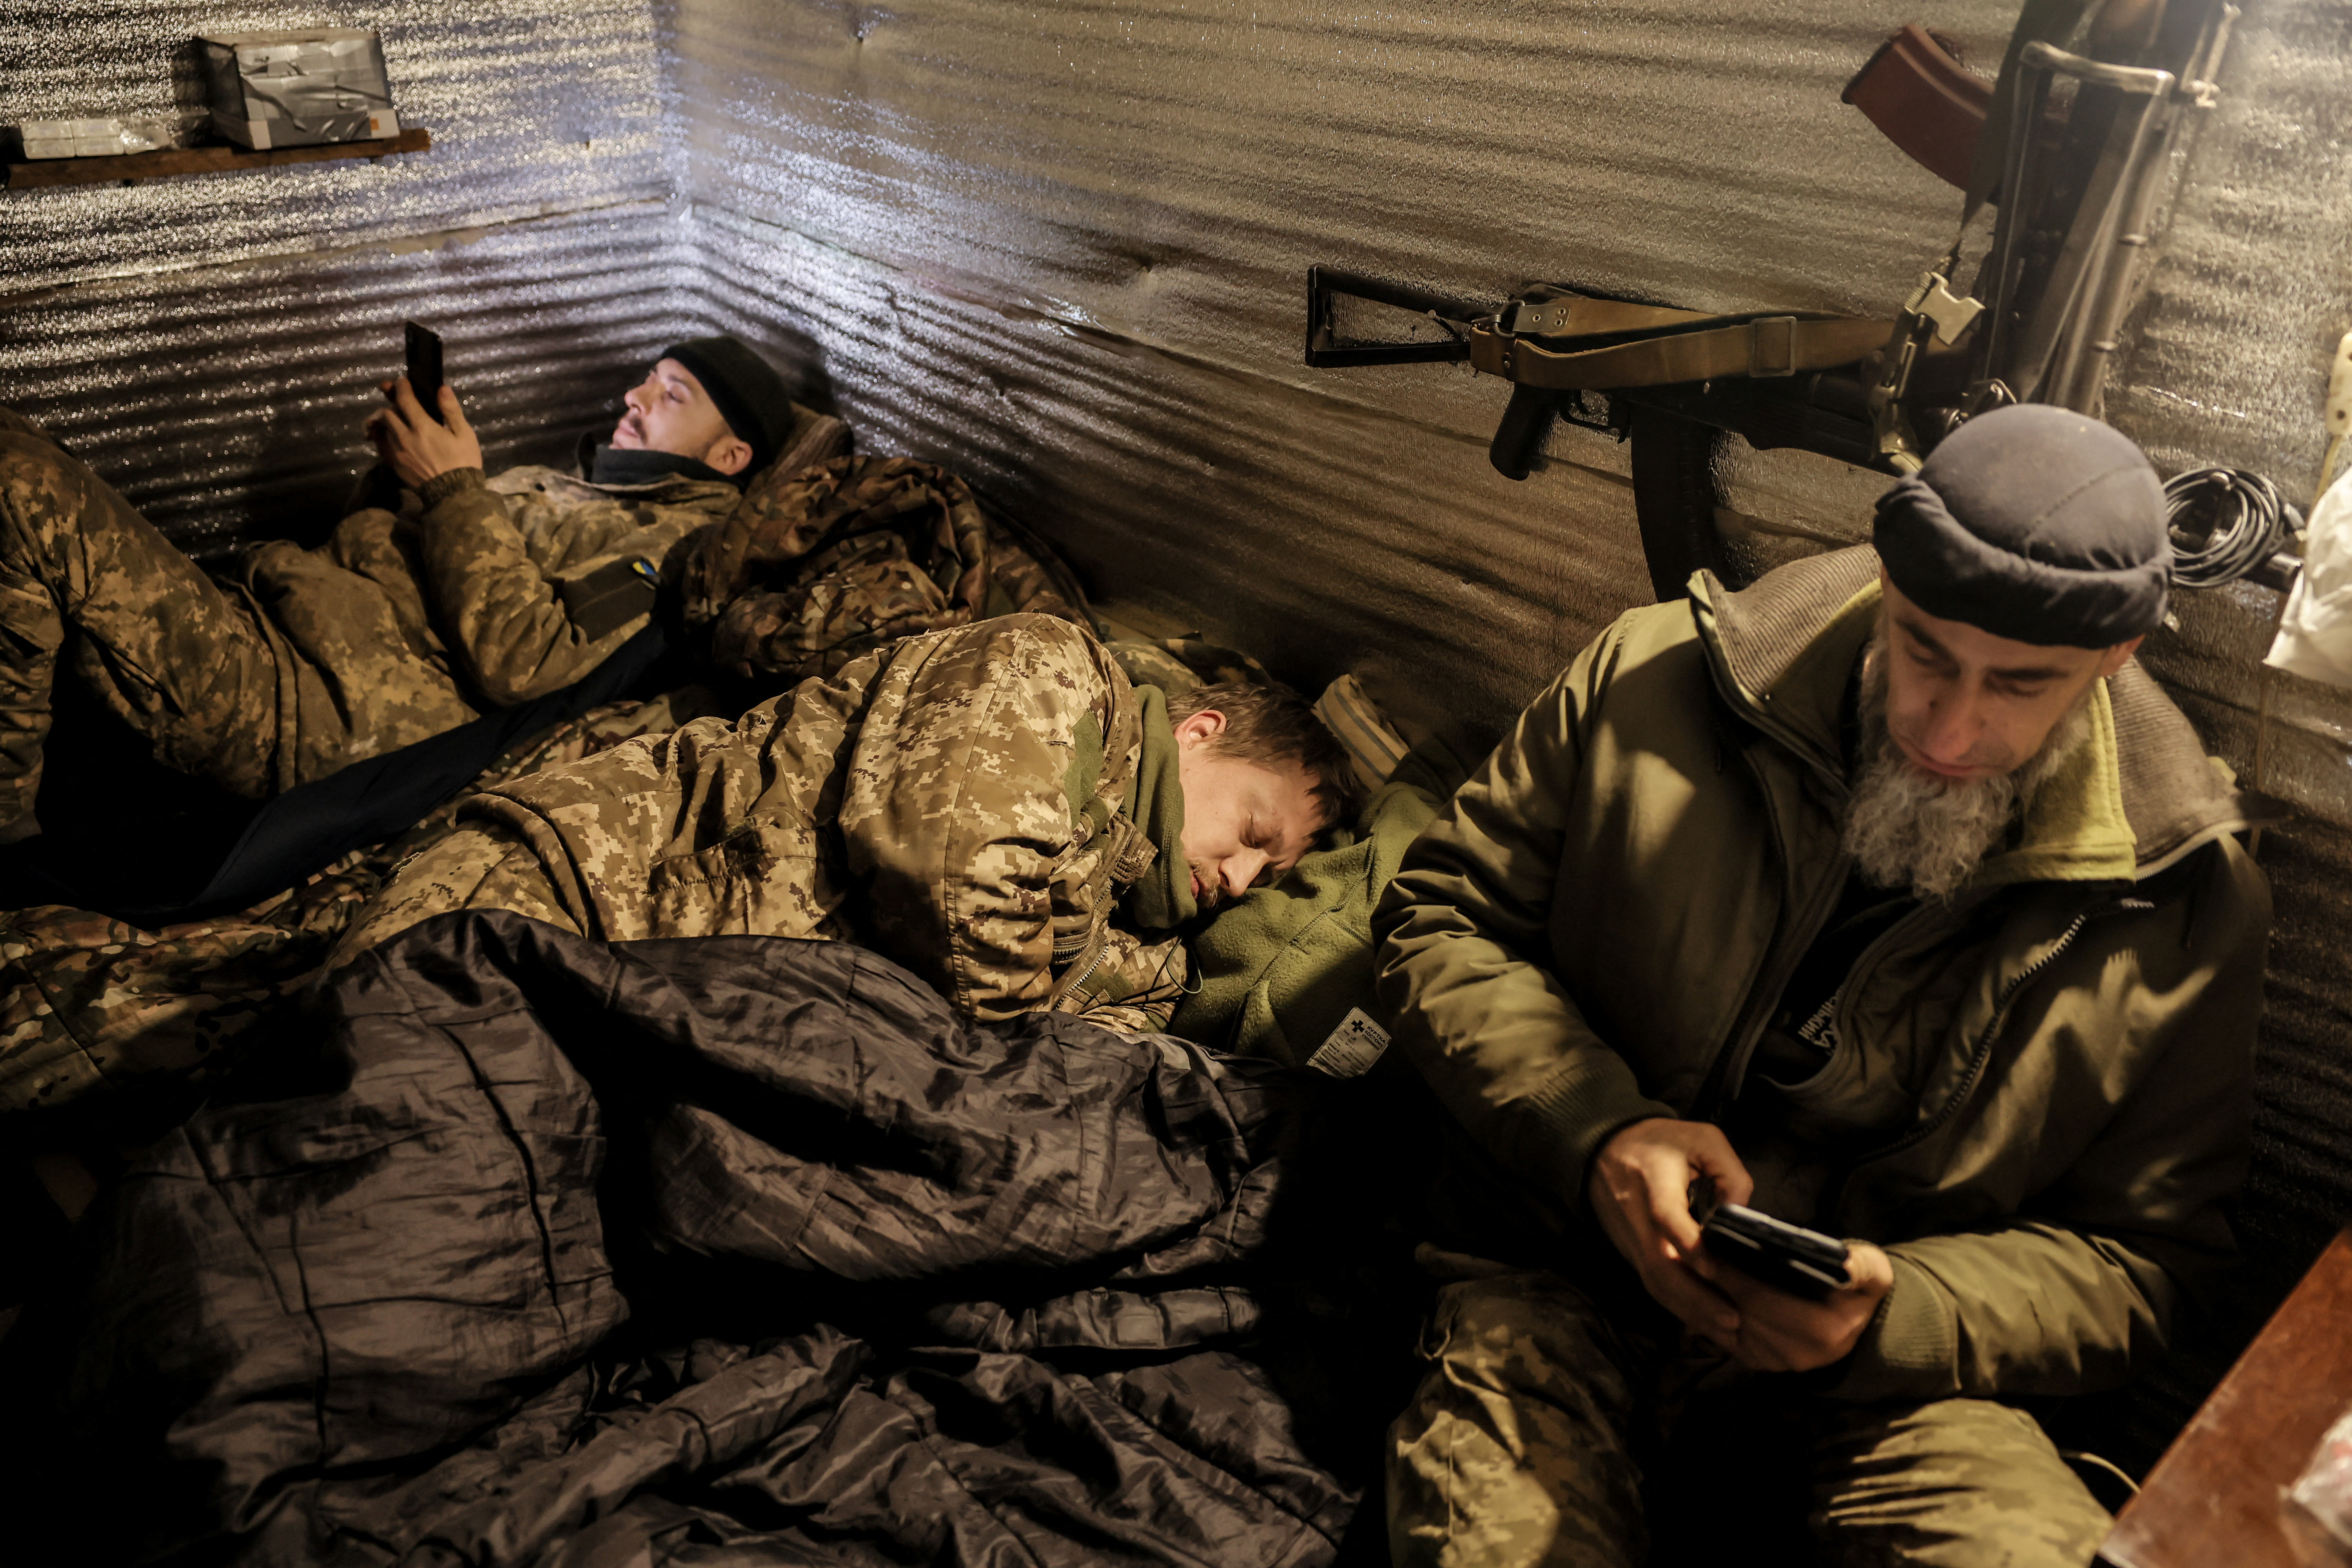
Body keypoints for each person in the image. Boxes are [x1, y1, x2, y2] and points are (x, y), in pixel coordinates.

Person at [1370, 404, 2270, 1566]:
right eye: (1925, 650)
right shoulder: (1655, 679)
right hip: (1565, 1271)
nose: (1948, 727)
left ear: (2115, 660)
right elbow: (1437, 920)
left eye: (2019, 685)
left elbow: (2147, 1267)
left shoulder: (2188, 897)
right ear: (1885, 583)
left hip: (1900, 1378)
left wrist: (1901, 1314)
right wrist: (1599, 1133)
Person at [332, 612, 1365, 1030]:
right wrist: (1015, 1051)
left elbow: (1112, 1042)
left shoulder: (1132, 929)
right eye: (1253, 834)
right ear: (1199, 734)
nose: (1239, 877)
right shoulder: (1059, 675)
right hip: (572, 894)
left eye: (1266, 882)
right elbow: (956, 868)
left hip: (656, 1010)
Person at [0, 335, 831, 838]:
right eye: (648, 379)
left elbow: (531, 663)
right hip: (283, 626)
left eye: (671, 393)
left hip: (308, 700)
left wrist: (450, 486)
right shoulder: (580, 488)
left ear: (730, 459)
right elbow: (417, 570)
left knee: (15, 481)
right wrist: (400, 481)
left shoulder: (677, 542)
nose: (636, 396)